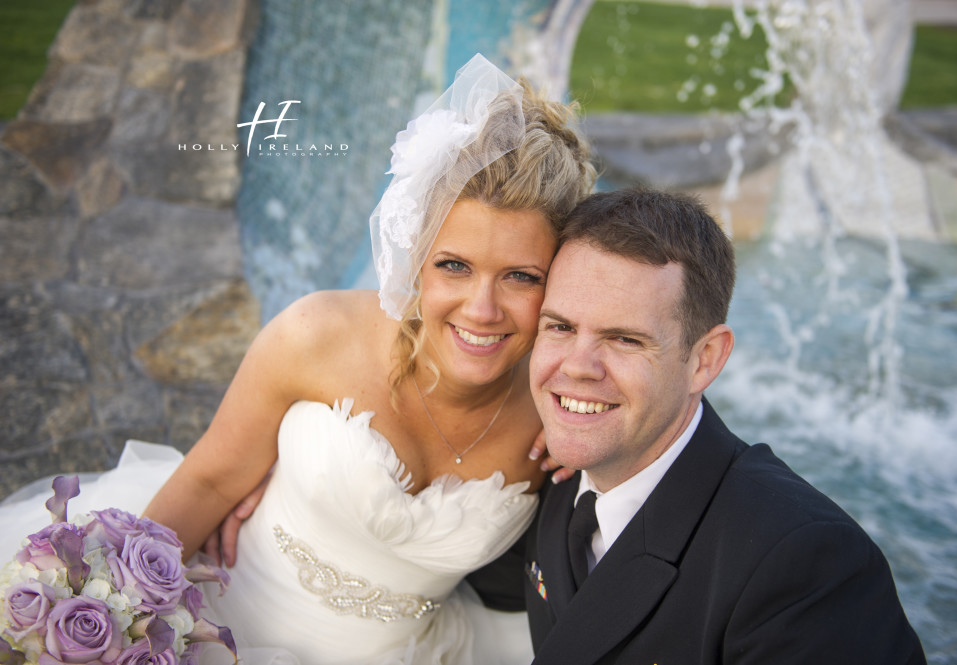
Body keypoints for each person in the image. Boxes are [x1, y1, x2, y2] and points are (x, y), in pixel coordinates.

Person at [0, 54, 594, 665]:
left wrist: (588, 436)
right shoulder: (317, 334)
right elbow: (209, 479)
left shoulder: (561, 409)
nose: (483, 308)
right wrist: (118, 621)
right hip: (222, 624)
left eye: (522, 277)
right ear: (414, 256)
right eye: (454, 266)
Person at [521, 187, 926, 664]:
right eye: (561, 327)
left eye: (625, 339)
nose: (579, 366)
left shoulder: (804, 566)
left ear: (704, 360)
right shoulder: (551, 476)